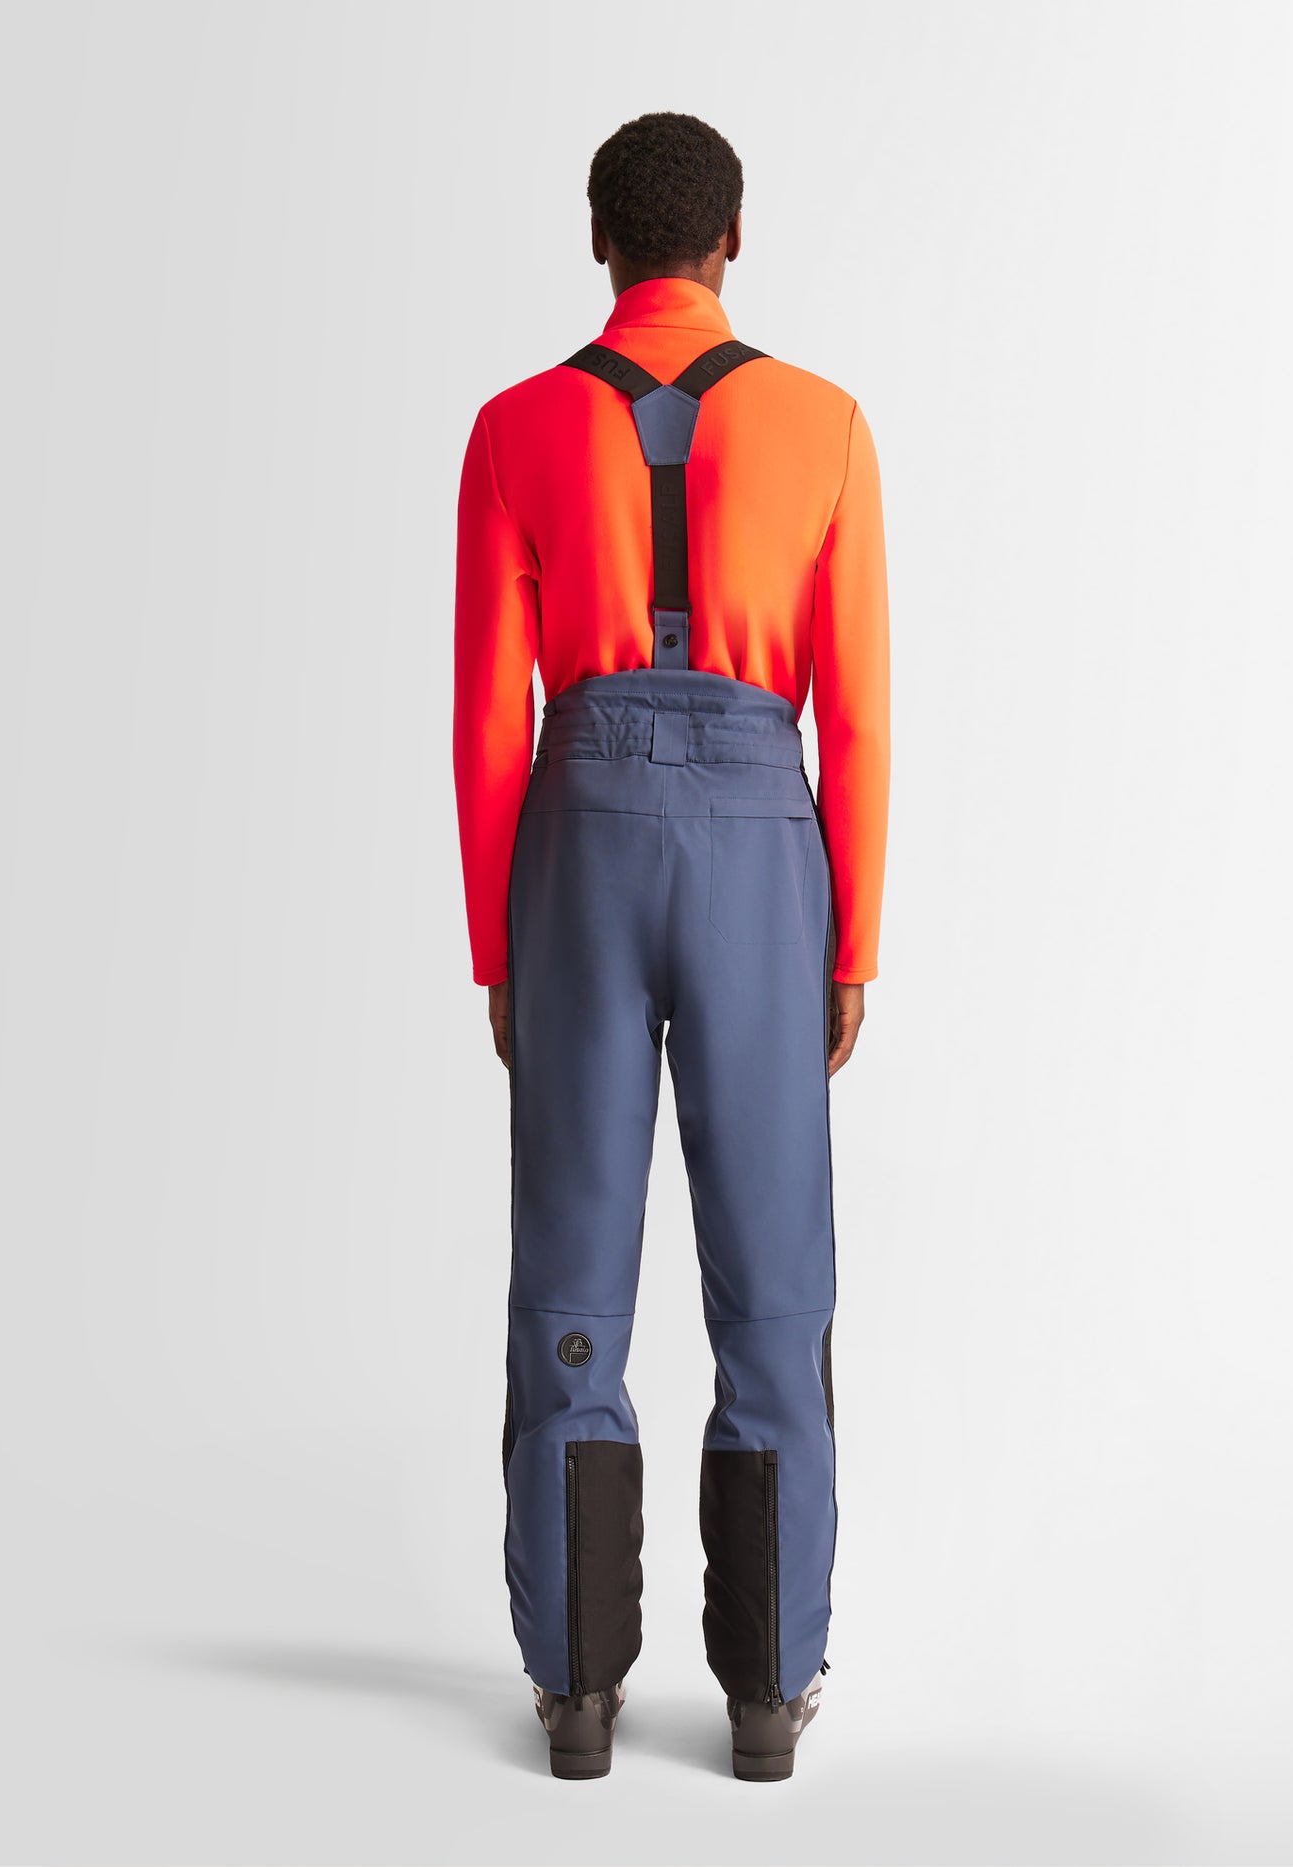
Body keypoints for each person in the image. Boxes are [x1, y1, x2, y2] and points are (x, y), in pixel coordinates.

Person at [453, 110, 890, 1782]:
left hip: (576, 846)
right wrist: (854, 936)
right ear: (731, 242)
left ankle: (576, 1694)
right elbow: (858, 714)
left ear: (599, 243)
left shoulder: (514, 428)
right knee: (773, 1285)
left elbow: (488, 721)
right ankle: (768, 1697)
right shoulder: (825, 424)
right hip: (764, 852)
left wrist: (498, 945)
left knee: (570, 1277)